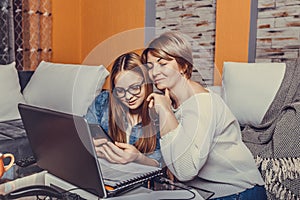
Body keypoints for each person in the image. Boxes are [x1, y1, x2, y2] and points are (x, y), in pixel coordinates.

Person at [141, 31, 267, 199]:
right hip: (203, 193)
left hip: (238, 192)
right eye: (150, 66)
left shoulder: (202, 103)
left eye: (162, 63)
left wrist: (165, 112)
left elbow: (185, 171)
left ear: (183, 66)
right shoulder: (172, 102)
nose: (154, 72)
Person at [85, 52, 161, 167]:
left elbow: (160, 164)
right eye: (120, 91)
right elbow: (80, 134)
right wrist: (89, 146)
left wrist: (138, 157)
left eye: (135, 88)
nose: (129, 97)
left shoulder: (159, 110)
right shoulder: (103, 101)